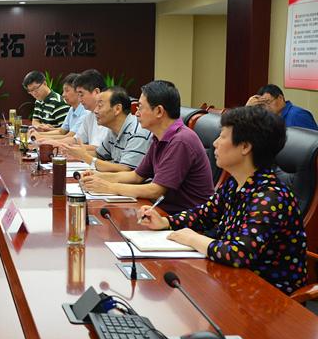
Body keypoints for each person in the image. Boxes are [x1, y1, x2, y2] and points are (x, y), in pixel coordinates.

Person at [138, 107, 307, 295]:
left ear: (245, 147)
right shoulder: (235, 183)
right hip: (230, 279)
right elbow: (204, 215)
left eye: (223, 136)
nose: (215, 143)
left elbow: (239, 253)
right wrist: (165, 221)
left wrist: (192, 238)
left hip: (267, 293)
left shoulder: (270, 197)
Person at [81, 80, 214, 213]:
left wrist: (110, 187)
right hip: (162, 211)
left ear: (159, 111)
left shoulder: (181, 140)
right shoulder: (159, 138)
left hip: (186, 217)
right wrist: (97, 176)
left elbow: (155, 190)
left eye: (140, 107)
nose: (136, 113)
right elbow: (136, 176)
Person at [65, 86, 151, 172]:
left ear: (117, 109)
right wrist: (76, 152)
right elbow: (99, 155)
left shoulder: (137, 131)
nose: (95, 111)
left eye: (100, 106)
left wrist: (85, 157)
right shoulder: (113, 130)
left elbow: (126, 169)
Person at [30, 73, 86, 140]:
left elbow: (69, 136)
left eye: (67, 90)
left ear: (78, 91)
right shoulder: (72, 109)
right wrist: (37, 134)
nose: (63, 95)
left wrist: (40, 136)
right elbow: (61, 131)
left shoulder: (85, 112)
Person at [246, 84, 317, 130]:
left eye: (268, 102)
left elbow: (314, 142)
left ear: (280, 98)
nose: (266, 107)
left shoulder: (297, 115)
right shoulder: (268, 118)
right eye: (262, 105)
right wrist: (247, 108)